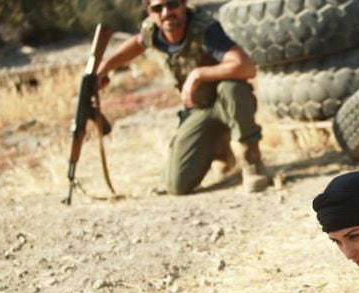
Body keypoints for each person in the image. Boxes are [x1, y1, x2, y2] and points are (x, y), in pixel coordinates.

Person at [97, 0, 270, 194]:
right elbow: (139, 42)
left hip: (226, 103)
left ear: (183, 4)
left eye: (172, 5)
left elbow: (246, 67)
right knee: (176, 185)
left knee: (233, 89)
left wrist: (199, 74)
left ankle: (252, 164)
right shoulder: (154, 31)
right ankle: (219, 148)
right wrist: (104, 67)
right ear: (150, 12)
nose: (166, 13)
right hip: (199, 110)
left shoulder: (205, 30)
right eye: (158, 8)